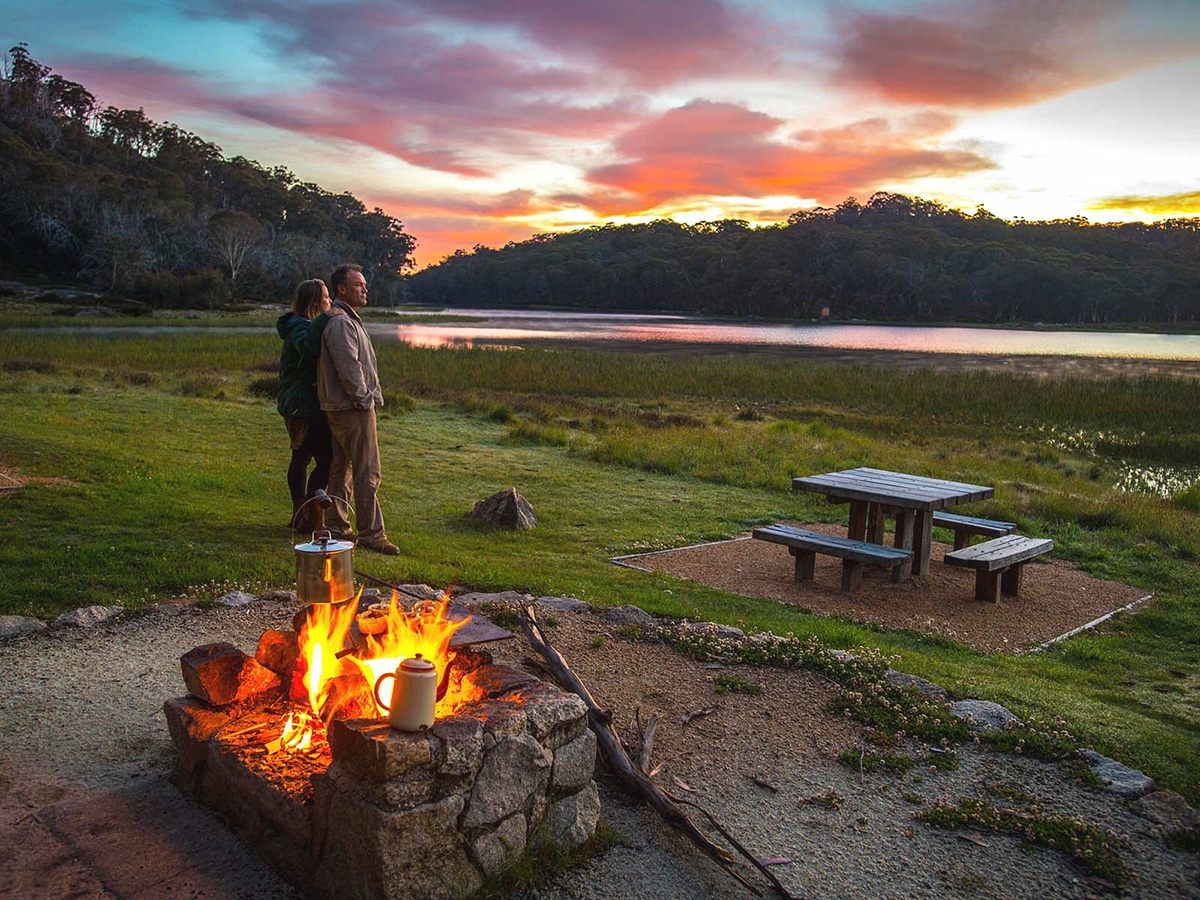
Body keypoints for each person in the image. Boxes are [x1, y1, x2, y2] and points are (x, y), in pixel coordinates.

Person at [318, 263, 399, 555]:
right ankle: (372, 534)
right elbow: (349, 367)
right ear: (342, 289)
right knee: (368, 471)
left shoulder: (347, 319)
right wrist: (364, 399)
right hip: (351, 407)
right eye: (358, 285)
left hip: (345, 405)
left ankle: (337, 527)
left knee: (342, 468)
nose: (365, 289)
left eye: (364, 285)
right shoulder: (341, 322)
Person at [276, 279, 341, 532]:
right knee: (326, 460)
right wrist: (327, 318)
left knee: (301, 456)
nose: (330, 301)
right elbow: (309, 348)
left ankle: (301, 512)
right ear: (316, 302)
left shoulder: (301, 325)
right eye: (326, 297)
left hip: (302, 402)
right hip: (301, 406)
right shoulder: (299, 328)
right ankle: (307, 512)